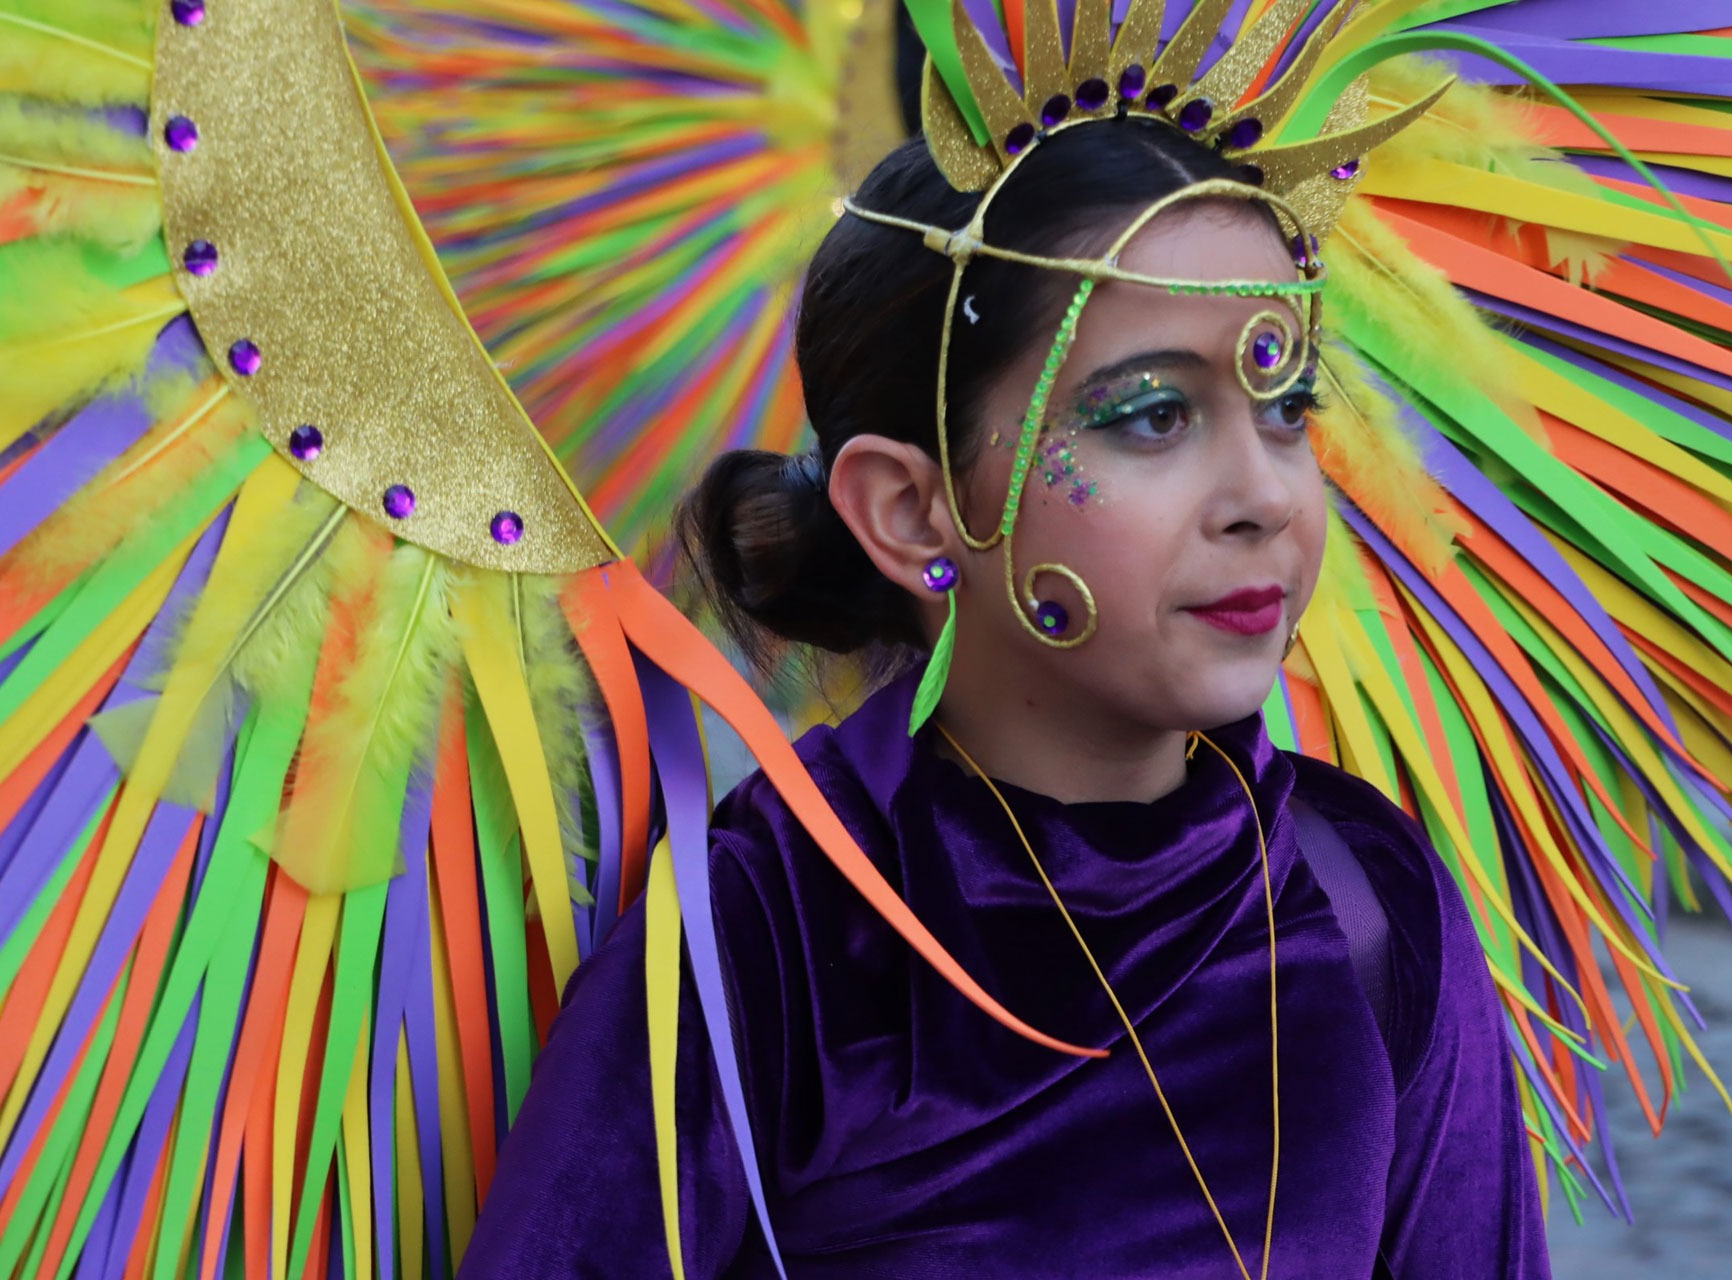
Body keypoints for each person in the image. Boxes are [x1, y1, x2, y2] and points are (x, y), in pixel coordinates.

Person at [459, 110, 1550, 1278]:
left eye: (1287, 404)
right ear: (910, 511)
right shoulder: (765, 943)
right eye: (1155, 414)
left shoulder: (1369, 899)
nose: (1268, 495)